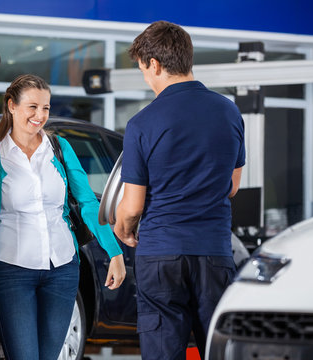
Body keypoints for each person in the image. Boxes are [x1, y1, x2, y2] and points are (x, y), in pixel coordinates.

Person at [114, 21, 245, 360]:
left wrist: (123, 229)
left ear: (154, 64)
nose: (146, 77)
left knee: (162, 352)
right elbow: (231, 186)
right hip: (214, 252)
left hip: (161, 254)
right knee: (219, 350)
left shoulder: (142, 123)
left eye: (144, 69)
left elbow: (132, 206)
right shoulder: (229, 112)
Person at [0, 74, 126, 360]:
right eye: (32, 107)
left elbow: (87, 202)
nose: (40, 116)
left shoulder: (59, 148)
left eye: (46, 108)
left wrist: (114, 251)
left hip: (62, 267)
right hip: (12, 270)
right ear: (11, 106)